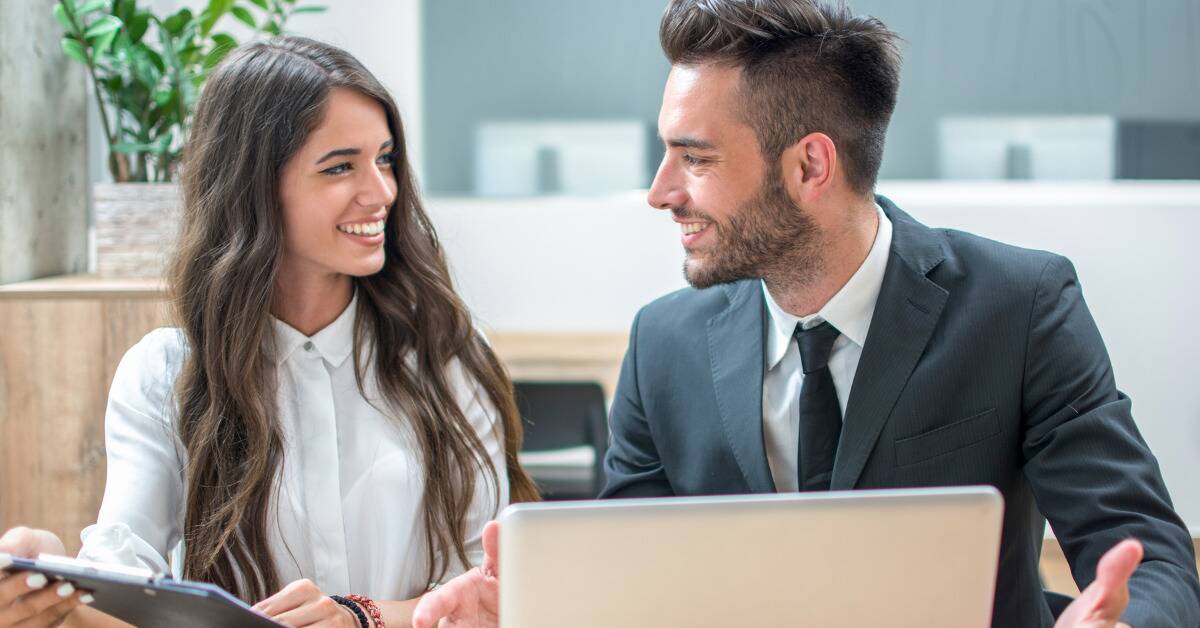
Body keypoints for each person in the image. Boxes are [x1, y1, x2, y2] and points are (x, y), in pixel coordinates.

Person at [412, 1, 1200, 627]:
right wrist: (539, 612)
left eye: (696, 157)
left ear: (809, 166)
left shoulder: (1019, 308)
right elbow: (636, 585)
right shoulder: (664, 343)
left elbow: (1153, 556)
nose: (660, 191)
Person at [0, 35, 538, 628]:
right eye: (340, 167)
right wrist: (49, 595)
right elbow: (125, 592)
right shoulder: (164, 374)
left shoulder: (448, 358)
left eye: (385, 159)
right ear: (251, 185)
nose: (381, 190)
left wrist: (361, 619)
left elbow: (493, 593)